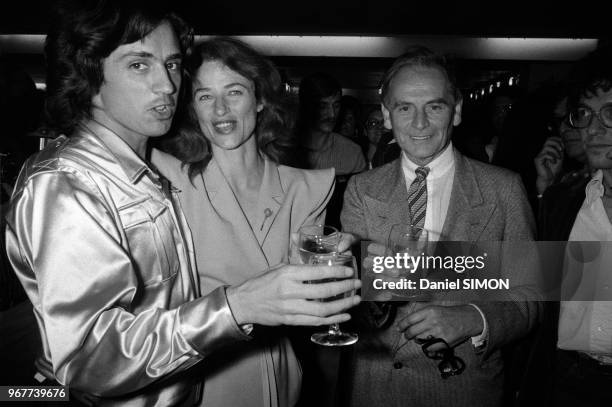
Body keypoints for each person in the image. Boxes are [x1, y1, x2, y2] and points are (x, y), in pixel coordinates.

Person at [4, 2, 360, 405]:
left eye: (172, 65)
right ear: (88, 74)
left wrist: (397, 273)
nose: (168, 86)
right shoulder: (84, 181)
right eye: (140, 65)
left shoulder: (144, 177)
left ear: (261, 100)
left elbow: (363, 284)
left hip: (242, 378)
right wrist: (238, 306)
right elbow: (87, 358)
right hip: (198, 379)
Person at [152, 37, 355, 407]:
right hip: (200, 376)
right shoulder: (167, 177)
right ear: (191, 108)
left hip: (280, 374)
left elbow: (307, 299)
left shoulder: (303, 188)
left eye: (234, 92)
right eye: (204, 96)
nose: (220, 109)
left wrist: (338, 268)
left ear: (260, 99)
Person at [340, 46, 539, 407]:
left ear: (457, 110)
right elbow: (357, 295)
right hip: (378, 387)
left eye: (434, 106)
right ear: (386, 115)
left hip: (464, 388)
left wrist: (473, 317)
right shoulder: (362, 189)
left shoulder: (504, 189)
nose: (420, 123)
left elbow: (529, 292)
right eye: (404, 108)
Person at [525, 45, 612, 407]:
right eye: (585, 114)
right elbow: (539, 287)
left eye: (611, 113)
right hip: (567, 379)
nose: (593, 129)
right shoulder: (565, 199)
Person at [297, 72, 366, 176]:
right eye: (322, 106)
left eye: (336, 105)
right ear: (305, 106)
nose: (332, 114)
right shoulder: (282, 149)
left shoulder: (352, 152)